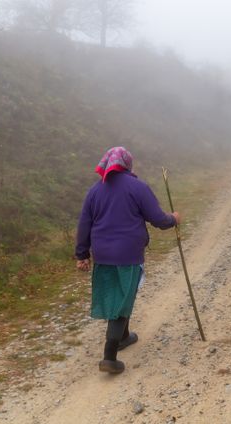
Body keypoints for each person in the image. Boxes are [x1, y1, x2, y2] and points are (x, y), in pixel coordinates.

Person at [75, 146, 180, 374]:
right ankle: (109, 357)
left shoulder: (95, 191)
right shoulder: (137, 187)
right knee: (123, 300)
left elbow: (84, 224)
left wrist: (82, 254)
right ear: (126, 164)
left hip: (102, 255)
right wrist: (173, 219)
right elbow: (158, 219)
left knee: (119, 294)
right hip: (128, 254)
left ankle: (123, 337)